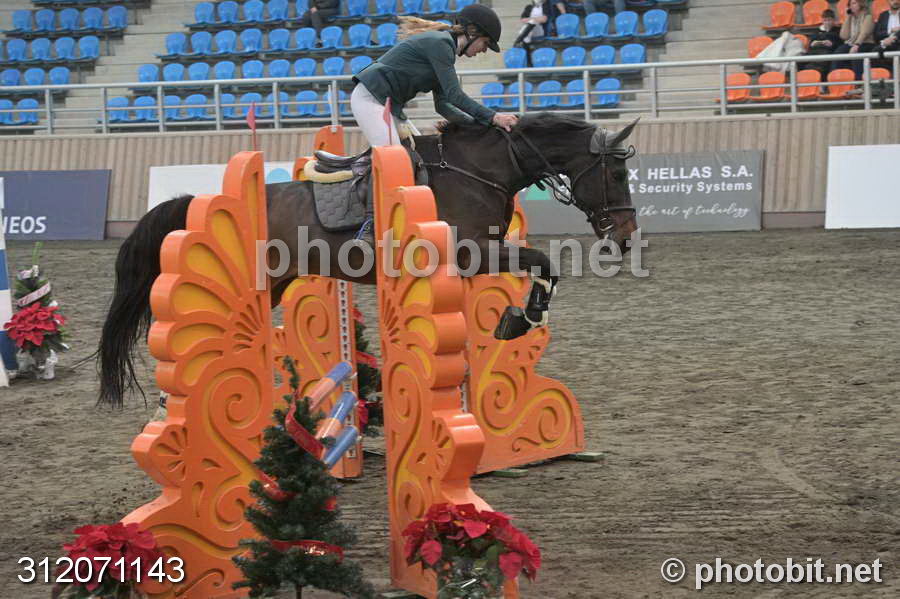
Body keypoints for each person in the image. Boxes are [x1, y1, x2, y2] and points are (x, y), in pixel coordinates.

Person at [350, 4, 519, 243]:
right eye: (485, 43)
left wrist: (479, 126)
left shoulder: (444, 50)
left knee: (416, 157)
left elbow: (443, 106)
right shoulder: (441, 45)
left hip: (389, 106)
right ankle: (369, 225)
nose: (483, 50)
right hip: (370, 98)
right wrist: (493, 117)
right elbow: (455, 96)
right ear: (472, 32)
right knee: (393, 159)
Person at [832, 0, 875, 79]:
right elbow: (844, 36)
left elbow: (864, 33)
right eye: (850, 5)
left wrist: (857, 45)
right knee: (838, 52)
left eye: (854, 3)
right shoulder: (851, 18)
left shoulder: (867, 16)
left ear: (860, 4)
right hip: (851, 43)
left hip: (865, 43)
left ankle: (858, 81)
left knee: (856, 54)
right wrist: (848, 18)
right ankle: (836, 79)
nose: (851, 6)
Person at [802, 9, 843, 76]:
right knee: (801, 60)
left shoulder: (838, 30)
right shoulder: (817, 31)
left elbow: (840, 44)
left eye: (829, 20)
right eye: (825, 20)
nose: (827, 23)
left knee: (823, 60)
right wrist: (813, 43)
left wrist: (832, 44)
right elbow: (811, 44)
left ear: (833, 20)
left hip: (828, 52)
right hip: (815, 52)